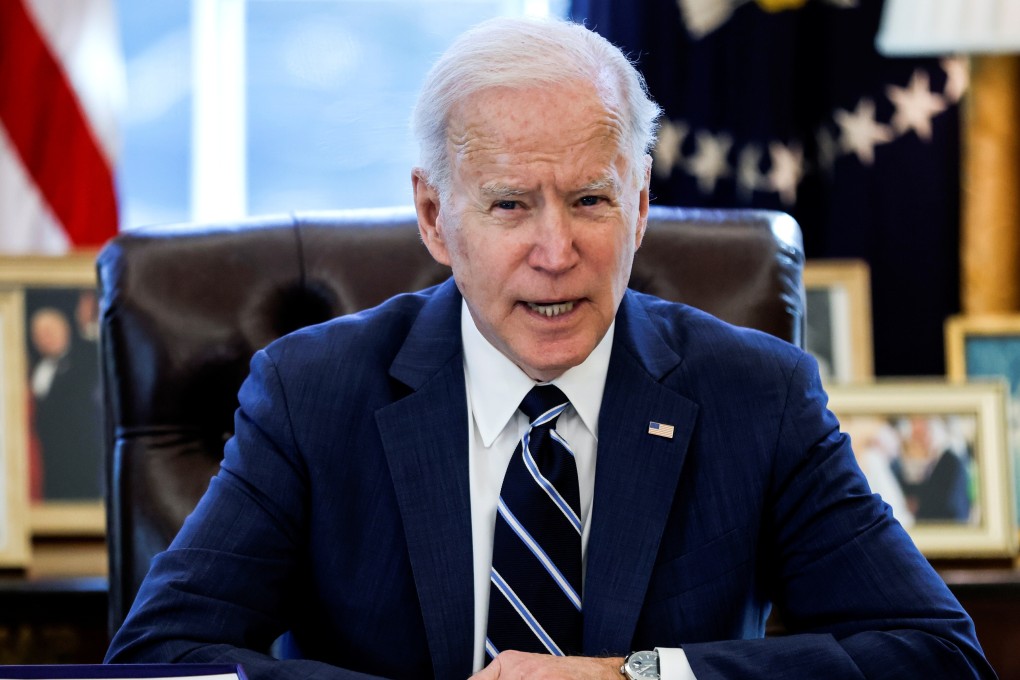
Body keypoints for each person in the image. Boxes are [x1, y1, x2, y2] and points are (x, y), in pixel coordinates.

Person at [105, 16, 996, 680]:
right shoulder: (313, 394)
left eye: (591, 201)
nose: (556, 249)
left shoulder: (755, 395)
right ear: (432, 216)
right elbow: (162, 656)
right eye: (508, 205)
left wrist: (638, 677)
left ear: (641, 205)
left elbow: (936, 655)